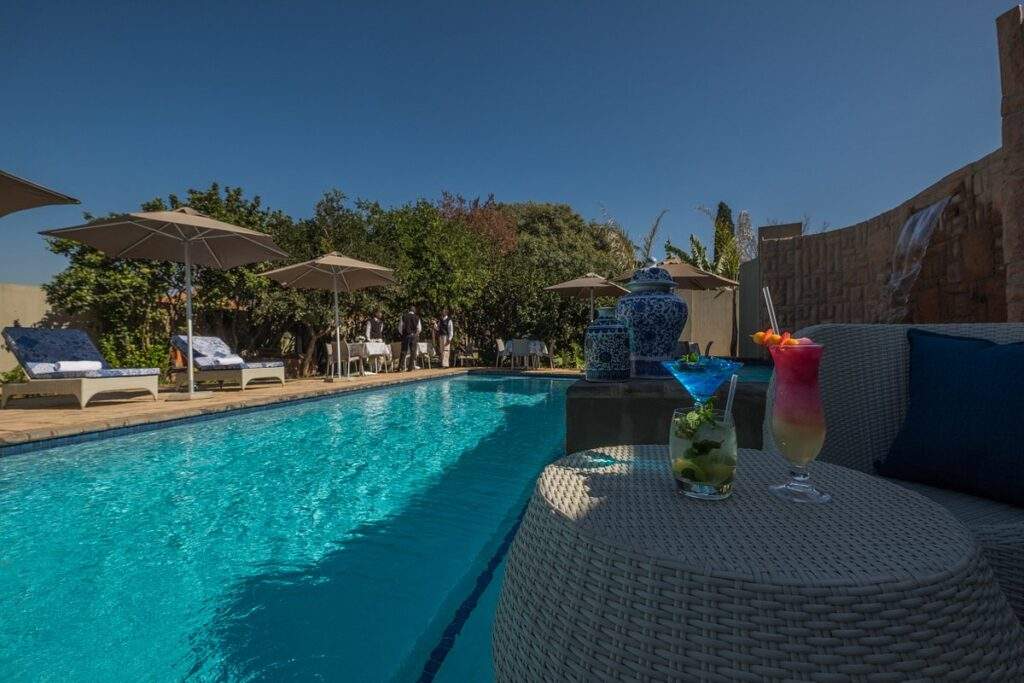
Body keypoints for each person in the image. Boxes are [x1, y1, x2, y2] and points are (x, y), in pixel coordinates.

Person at [398, 304, 422, 371]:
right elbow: (419, 329)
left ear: (409, 310)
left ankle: (401, 367)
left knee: (403, 351)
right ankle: (410, 367)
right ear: (413, 310)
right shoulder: (417, 317)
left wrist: (403, 334)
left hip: (406, 335)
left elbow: (400, 327)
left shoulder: (403, 316)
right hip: (413, 336)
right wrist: (415, 334)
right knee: (413, 351)